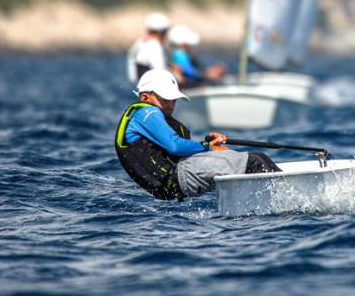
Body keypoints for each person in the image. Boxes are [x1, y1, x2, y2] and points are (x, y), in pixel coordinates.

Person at [114, 69, 281, 200]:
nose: (171, 105)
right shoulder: (146, 112)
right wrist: (207, 147)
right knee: (253, 163)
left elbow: (177, 147)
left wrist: (210, 146)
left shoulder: (146, 115)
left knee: (257, 156)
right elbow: (175, 146)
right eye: (165, 99)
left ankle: (274, 198)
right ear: (145, 97)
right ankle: (283, 200)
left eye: (174, 100)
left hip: (181, 172)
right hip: (179, 175)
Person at [167, 24, 227, 88]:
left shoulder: (180, 53)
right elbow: (189, 72)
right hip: (189, 85)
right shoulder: (179, 54)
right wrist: (207, 75)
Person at [126, 12, 170, 85]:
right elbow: (161, 71)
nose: (164, 36)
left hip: (140, 86)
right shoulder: (154, 45)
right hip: (153, 87)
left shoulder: (139, 42)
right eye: (163, 32)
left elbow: (132, 77)